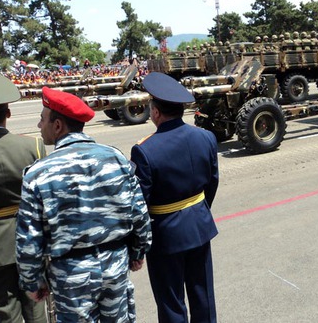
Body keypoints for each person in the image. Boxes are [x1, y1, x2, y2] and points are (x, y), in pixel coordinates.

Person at [15, 87, 152, 322]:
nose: (39, 126)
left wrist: (32, 280)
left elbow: (29, 239)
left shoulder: (38, 174)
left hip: (70, 274)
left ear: (58, 126)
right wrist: (138, 251)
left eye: (42, 119)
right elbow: (139, 213)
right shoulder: (116, 158)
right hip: (115, 263)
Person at [130, 72, 219, 323]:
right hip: (200, 227)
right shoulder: (206, 137)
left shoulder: (144, 149)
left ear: (156, 112)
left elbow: (139, 205)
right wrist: (197, 212)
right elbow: (212, 182)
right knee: (204, 297)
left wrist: (137, 245)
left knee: (171, 304)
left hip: (165, 236)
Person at [0, 73, 47, 323]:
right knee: (37, 310)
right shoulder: (33, 147)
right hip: (32, 241)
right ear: (9, 113)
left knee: (6, 312)